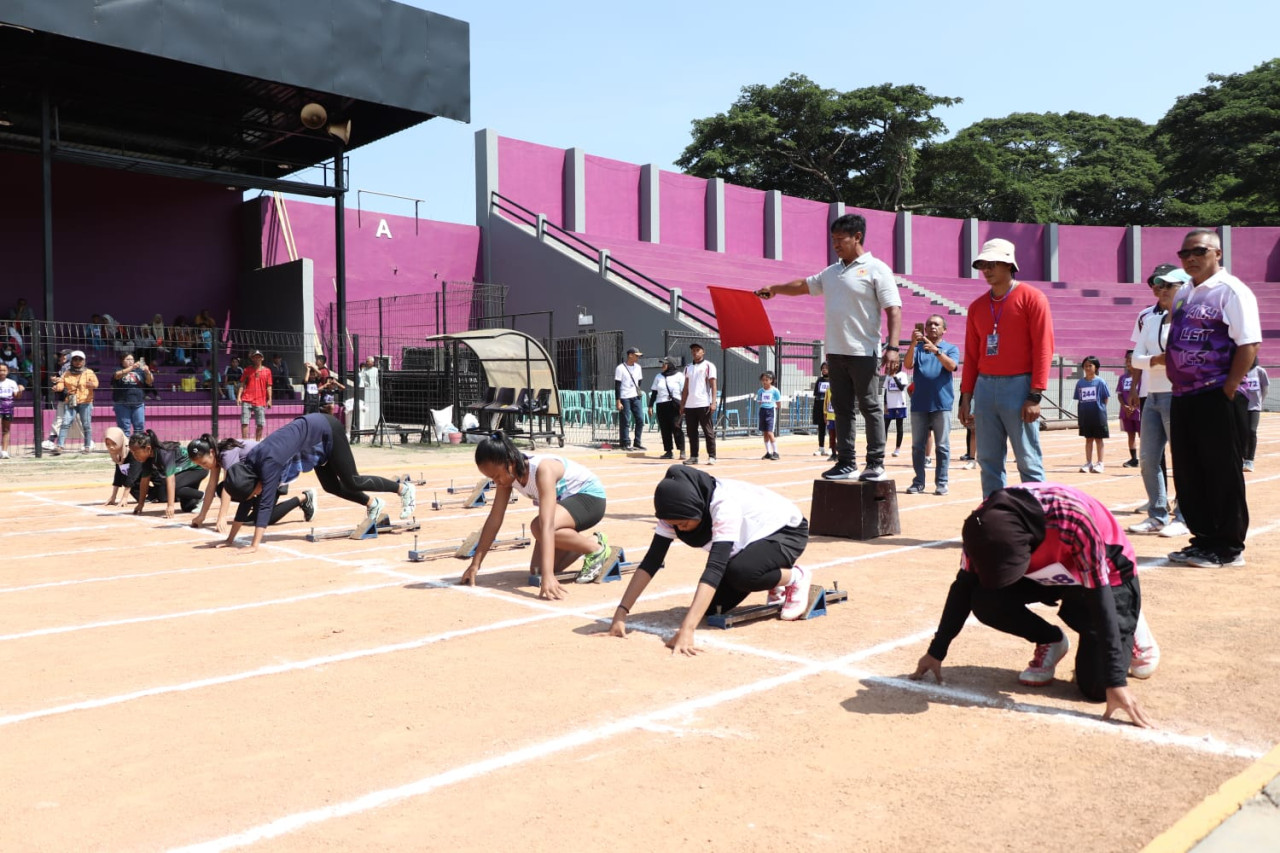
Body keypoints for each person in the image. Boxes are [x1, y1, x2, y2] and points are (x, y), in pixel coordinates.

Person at [910, 482, 1158, 728]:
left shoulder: (1072, 519)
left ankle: (1132, 621)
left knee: (1097, 687)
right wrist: (936, 651)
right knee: (985, 598)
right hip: (1050, 570)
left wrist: (1115, 681)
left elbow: (1100, 593)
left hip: (1106, 577)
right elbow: (963, 587)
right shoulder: (980, 526)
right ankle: (1050, 639)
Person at [757, 213, 902, 481]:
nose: (835, 244)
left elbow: (894, 309)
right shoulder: (832, 272)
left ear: (857, 237)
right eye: (833, 239)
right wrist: (775, 288)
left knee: (870, 407)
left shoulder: (876, 268)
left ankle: (875, 463)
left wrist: (892, 347)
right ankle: (846, 462)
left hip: (864, 352)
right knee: (842, 408)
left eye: (840, 239)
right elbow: (803, 285)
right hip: (835, 352)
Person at [608, 466, 811, 655]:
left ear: (696, 507)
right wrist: (621, 613)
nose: (680, 528)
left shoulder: (723, 507)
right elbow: (651, 561)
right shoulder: (672, 513)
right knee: (714, 609)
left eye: (683, 523)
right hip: (751, 540)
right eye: (674, 525)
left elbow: (715, 567)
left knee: (742, 573)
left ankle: (795, 577)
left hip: (786, 531)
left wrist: (688, 629)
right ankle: (771, 575)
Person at [1166, 229, 1262, 568]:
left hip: (1216, 393)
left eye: (1199, 251)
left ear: (1217, 254)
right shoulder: (1183, 294)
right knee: (1190, 471)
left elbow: (1249, 343)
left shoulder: (1232, 291)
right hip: (1183, 395)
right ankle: (1203, 539)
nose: (1190, 257)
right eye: (1184, 253)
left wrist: (1229, 387)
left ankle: (1228, 547)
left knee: (1221, 471)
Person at [219, 412, 414, 554]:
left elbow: (265, 504)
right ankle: (374, 504)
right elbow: (246, 501)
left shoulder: (268, 465)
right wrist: (230, 539)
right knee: (330, 486)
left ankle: (403, 489)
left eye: (254, 493)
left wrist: (254, 545)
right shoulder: (251, 466)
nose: (255, 496)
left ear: (252, 484)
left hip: (325, 429)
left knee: (353, 480)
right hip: (311, 440)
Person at [957, 238, 1055, 498]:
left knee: (1028, 460)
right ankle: (995, 518)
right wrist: (965, 396)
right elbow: (971, 354)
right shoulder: (977, 307)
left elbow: (1043, 348)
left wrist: (1035, 394)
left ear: (1009, 264)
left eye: (992, 264)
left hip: (1019, 386)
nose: (986, 270)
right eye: (983, 265)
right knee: (988, 460)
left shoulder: (1033, 298)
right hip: (985, 388)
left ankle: (1037, 520)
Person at [460, 432, 610, 599]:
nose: (496, 482)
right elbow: (495, 520)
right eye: (491, 479)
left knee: (538, 526)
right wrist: (475, 564)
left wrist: (549, 577)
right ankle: (589, 542)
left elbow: (546, 525)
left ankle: (596, 550)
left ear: (510, 463)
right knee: (537, 570)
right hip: (566, 509)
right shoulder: (507, 477)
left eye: (496, 476)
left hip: (590, 499)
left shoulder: (542, 470)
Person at [1128, 264, 1191, 537]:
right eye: (1160, 285)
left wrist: (1151, 361)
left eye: (1169, 285)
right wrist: (1155, 360)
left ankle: (1184, 516)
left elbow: (1182, 360)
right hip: (1152, 395)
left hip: (1178, 396)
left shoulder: (1191, 321)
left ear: (1184, 289)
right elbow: (1135, 359)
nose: (1162, 290)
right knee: (1148, 459)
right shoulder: (1151, 321)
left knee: (1183, 459)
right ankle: (1157, 514)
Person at [187, 434, 315, 535]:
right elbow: (211, 487)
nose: (204, 467)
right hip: (256, 481)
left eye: (204, 463)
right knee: (221, 491)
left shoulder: (226, 453)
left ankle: (304, 498)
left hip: (273, 475)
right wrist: (202, 516)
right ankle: (255, 503)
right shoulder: (216, 457)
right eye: (200, 465)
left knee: (263, 518)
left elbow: (229, 486)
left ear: (211, 452)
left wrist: (222, 517)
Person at [903, 314, 960, 496]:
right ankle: (918, 482)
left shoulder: (950, 348)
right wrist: (913, 343)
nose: (932, 327)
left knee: (942, 446)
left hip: (941, 404)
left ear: (944, 329)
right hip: (919, 404)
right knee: (917, 446)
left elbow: (952, 366)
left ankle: (941, 483)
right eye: (929, 324)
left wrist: (936, 351)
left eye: (936, 324)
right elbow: (908, 364)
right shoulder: (918, 348)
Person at [127, 430, 209, 518]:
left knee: (173, 487)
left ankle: (204, 496)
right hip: (186, 471)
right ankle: (198, 499)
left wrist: (170, 506)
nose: (134, 455)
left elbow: (171, 480)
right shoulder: (147, 459)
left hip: (198, 468)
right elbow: (144, 481)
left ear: (148, 448)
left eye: (136, 452)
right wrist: (140, 504)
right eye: (132, 452)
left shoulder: (164, 453)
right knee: (187, 507)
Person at [52, 350, 98, 454]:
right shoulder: (66, 373)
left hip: (85, 401)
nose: (78, 362)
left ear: (84, 361)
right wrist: (57, 387)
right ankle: (60, 446)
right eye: (75, 359)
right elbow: (61, 384)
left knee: (86, 424)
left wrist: (92, 385)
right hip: (71, 401)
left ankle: (87, 446)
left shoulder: (89, 372)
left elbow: (96, 383)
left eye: (80, 359)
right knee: (65, 423)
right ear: (71, 361)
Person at [679, 342, 718, 466]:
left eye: (697, 350)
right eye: (693, 350)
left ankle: (712, 456)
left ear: (703, 351)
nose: (695, 352)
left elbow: (713, 385)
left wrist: (713, 402)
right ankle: (694, 456)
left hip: (703, 403)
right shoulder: (688, 368)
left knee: (708, 431)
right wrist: (682, 404)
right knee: (691, 432)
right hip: (690, 405)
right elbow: (685, 387)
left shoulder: (708, 366)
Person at [1073, 355, 1110, 473]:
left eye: (1090, 365)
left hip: (1098, 415)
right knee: (1088, 439)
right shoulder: (1080, 383)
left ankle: (1100, 463)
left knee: (1099, 439)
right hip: (1085, 415)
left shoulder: (1101, 382)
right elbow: (1079, 399)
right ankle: (1088, 462)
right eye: (1085, 366)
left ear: (1096, 367)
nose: (1087, 368)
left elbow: (1105, 398)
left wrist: (1100, 410)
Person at [648, 356, 685, 460]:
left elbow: (684, 391)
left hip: (674, 404)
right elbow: (654, 392)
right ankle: (668, 451)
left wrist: (684, 405)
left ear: (671, 365)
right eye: (662, 364)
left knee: (676, 427)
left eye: (665, 363)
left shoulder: (679, 376)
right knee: (664, 428)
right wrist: (650, 405)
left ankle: (682, 450)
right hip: (661, 405)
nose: (662, 366)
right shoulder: (658, 376)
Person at [111, 352, 152, 438]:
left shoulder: (139, 371)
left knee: (139, 427)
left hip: (138, 403)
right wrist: (131, 368)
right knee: (124, 428)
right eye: (127, 359)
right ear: (122, 361)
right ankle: (126, 447)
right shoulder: (118, 369)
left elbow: (149, 382)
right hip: (122, 402)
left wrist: (148, 372)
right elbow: (117, 375)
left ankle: (138, 446)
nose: (130, 361)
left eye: (132, 359)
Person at [614, 346, 646, 451]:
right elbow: (617, 386)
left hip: (635, 396)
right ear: (630, 355)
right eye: (636, 355)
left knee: (640, 419)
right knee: (626, 420)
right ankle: (625, 443)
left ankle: (637, 442)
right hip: (624, 397)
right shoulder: (620, 368)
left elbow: (639, 381)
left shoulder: (638, 367)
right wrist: (618, 401)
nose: (638, 358)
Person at [237, 350, 272, 440]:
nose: (257, 359)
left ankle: (257, 441)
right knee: (244, 422)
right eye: (255, 357)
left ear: (262, 358)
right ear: (252, 358)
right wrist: (239, 397)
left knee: (260, 423)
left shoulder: (267, 371)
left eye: (259, 357)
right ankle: (245, 442)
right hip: (247, 398)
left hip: (260, 400)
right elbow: (242, 384)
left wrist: (269, 399)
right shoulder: (247, 370)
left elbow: (269, 386)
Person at [1241, 364, 1269, 473]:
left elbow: (1265, 389)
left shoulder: (1260, 371)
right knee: (1241, 432)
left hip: (1254, 407)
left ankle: (1249, 460)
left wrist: (1259, 403)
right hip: (1241, 406)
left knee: (1252, 431)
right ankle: (1243, 457)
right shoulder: (1238, 368)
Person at [103, 426, 138, 507]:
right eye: (108, 444)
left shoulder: (132, 451)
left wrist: (124, 497)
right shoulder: (118, 452)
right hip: (138, 479)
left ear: (120, 440)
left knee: (163, 496)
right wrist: (113, 496)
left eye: (114, 443)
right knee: (123, 477)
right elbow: (118, 474)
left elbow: (132, 474)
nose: (111, 447)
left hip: (155, 480)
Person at [1118, 351, 1141, 468]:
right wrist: (1125, 406)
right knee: (1130, 435)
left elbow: (1143, 394)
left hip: (1139, 412)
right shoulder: (1122, 378)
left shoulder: (1142, 377)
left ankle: (1146, 458)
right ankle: (1134, 459)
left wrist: (1134, 407)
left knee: (1143, 435)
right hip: (1126, 412)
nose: (1128, 363)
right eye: (1127, 360)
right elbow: (1120, 394)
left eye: (1130, 361)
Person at [883, 369, 909, 458]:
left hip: (899, 404)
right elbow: (886, 391)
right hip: (890, 404)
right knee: (885, 426)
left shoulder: (903, 375)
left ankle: (897, 449)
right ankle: (882, 448)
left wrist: (895, 377)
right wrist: (885, 404)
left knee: (899, 426)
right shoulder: (888, 376)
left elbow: (901, 387)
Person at [756, 371, 781, 460]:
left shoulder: (775, 390)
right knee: (765, 432)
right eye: (763, 380)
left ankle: (776, 452)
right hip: (763, 410)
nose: (764, 381)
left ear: (771, 380)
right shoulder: (760, 391)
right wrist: (763, 402)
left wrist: (775, 407)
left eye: (767, 380)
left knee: (770, 432)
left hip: (771, 411)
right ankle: (768, 452)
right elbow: (759, 401)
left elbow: (778, 402)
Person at [811, 361, 832, 457]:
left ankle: (832, 448)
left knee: (832, 428)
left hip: (831, 407)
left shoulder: (834, 380)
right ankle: (821, 448)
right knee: (821, 427)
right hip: (820, 405)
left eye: (826, 368)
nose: (824, 369)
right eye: (823, 368)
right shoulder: (819, 380)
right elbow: (816, 395)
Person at [0, 362, 20, 459]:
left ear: (7, 371)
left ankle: (4, 451)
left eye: (4, 370)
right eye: (0, 370)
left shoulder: (12, 382)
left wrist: (20, 390)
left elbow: (17, 396)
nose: (2, 372)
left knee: (6, 429)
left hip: (8, 406)